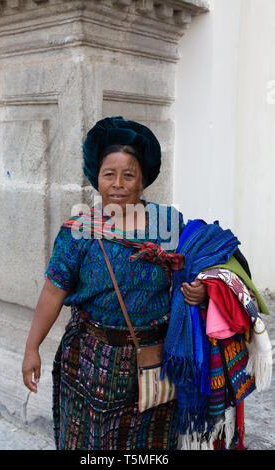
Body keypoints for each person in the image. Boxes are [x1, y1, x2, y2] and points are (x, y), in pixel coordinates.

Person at [22, 116, 271, 451]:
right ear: (96, 178)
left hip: (154, 360)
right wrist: (31, 348)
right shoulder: (77, 231)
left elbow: (196, 270)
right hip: (90, 359)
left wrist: (200, 291)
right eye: (109, 174)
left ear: (143, 180)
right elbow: (53, 292)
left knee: (150, 444)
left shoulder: (168, 224)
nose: (118, 183)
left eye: (129, 174)